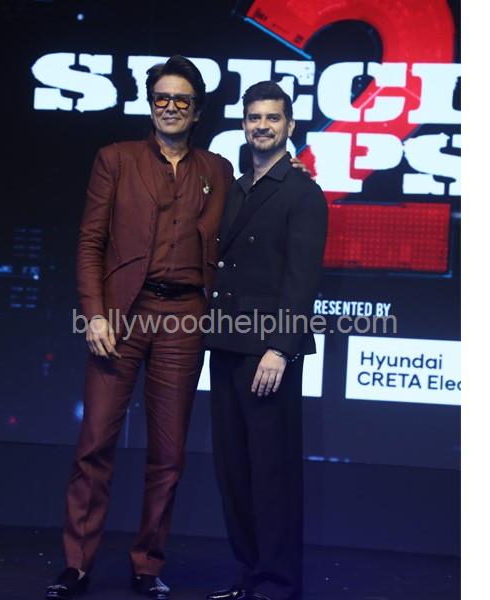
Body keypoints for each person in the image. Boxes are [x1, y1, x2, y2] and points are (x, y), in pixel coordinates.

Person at [45, 55, 233, 600]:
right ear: (150, 105)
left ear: (197, 111)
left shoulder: (217, 170)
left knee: (168, 455)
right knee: (94, 444)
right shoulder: (117, 159)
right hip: (121, 317)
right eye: (161, 98)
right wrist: (95, 312)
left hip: (184, 318)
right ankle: (77, 565)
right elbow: (90, 242)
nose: (170, 107)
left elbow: (242, 228)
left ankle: (147, 565)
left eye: (181, 100)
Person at [204, 82, 328, 600]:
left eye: (272, 118)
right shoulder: (235, 188)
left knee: (271, 473)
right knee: (234, 471)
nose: (262, 126)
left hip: (268, 353)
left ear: (289, 126)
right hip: (225, 344)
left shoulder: (303, 192)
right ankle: (250, 574)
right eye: (254, 117)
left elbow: (302, 280)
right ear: (243, 124)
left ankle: (276, 584)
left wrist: (280, 348)